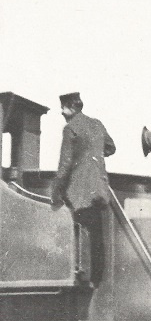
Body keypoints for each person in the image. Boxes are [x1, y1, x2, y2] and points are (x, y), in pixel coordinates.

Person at [50, 92, 116, 284]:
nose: (61, 112)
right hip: (99, 190)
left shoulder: (70, 128)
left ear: (71, 107)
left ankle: (80, 280)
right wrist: (93, 154)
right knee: (96, 239)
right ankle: (96, 281)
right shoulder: (97, 124)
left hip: (79, 191)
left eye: (63, 108)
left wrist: (54, 194)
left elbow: (64, 166)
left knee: (77, 237)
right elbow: (111, 148)